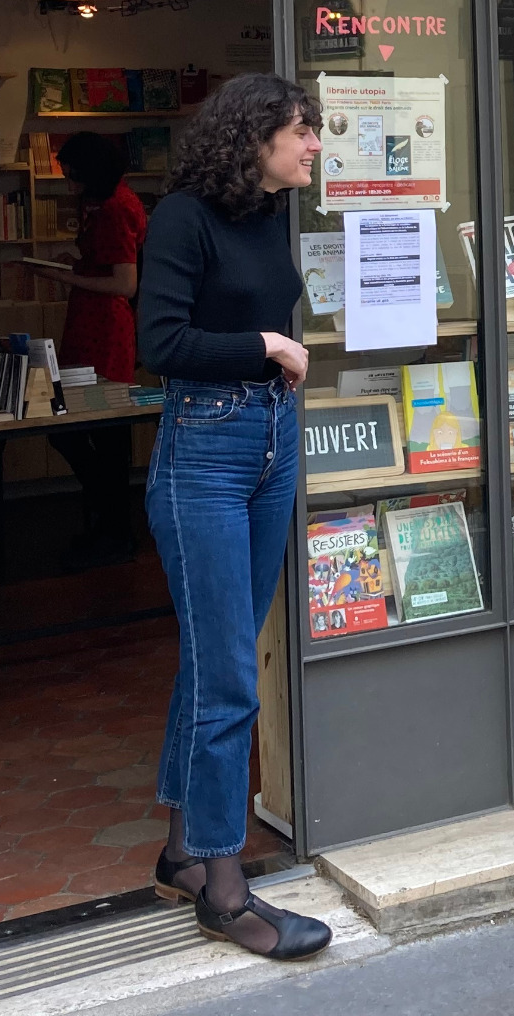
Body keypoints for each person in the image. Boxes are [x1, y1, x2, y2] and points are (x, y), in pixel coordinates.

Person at [135, 73, 331, 960]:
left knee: (222, 658)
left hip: (270, 443)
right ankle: (222, 887)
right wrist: (265, 346)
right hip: (203, 457)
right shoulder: (182, 219)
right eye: (303, 131)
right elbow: (159, 345)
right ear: (254, 138)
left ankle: (181, 852)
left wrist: (276, 362)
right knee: (228, 679)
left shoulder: (268, 215)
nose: (314, 146)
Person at [31, 130, 146, 569]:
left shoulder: (116, 208)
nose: (68, 183)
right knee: (82, 427)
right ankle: (108, 525)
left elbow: (124, 283)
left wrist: (68, 278)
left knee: (99, 433)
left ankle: (116, 529)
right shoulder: (101, 202)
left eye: (73, 175)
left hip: (107, 332)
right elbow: (103, 263)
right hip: (89, 326)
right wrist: (74, 262)